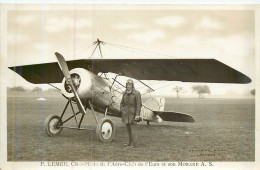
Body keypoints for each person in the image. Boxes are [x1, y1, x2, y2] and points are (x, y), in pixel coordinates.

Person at [120, 79, 142, 148]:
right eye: (127, 85)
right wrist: (122, 110)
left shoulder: (137, 93)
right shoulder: (124, 93)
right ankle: (129, 143)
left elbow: (139, 105)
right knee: (128, 129)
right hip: (126, 114)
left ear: (132, 85)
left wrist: (137, 115)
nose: (128, 86)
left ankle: (134, 144)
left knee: (133, 129)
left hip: (133, 114)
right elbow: (121, 103)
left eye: (130, 85)